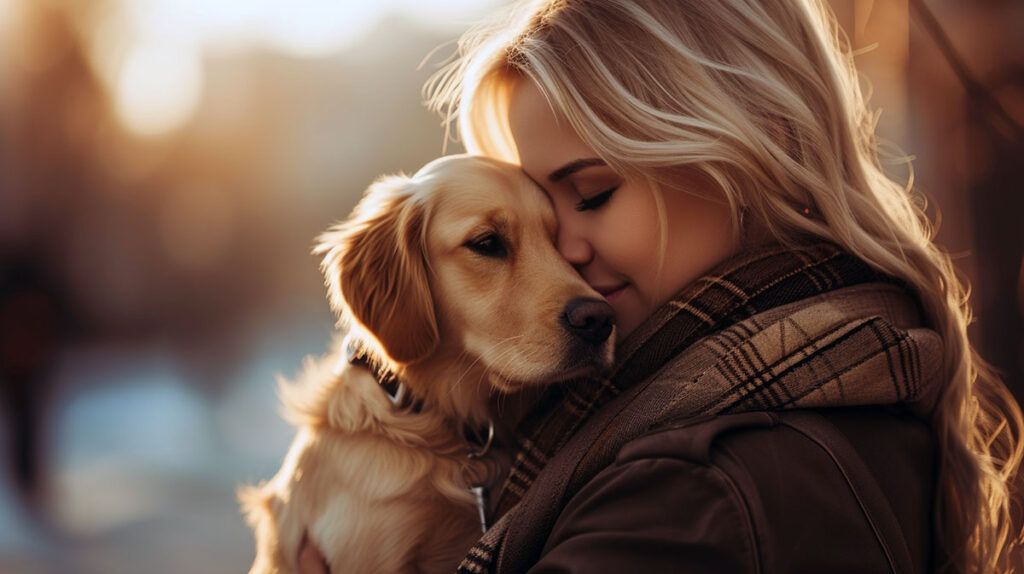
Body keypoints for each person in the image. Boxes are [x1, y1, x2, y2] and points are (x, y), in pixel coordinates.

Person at [300, 0, 1023, 572]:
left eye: (592, 194)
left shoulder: (697, 495)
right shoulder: (836, 377)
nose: (566, 259)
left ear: (744, 152)